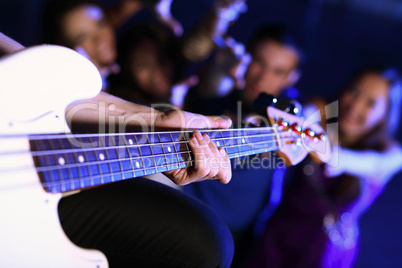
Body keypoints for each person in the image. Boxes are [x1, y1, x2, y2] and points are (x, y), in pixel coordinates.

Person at [0, 29, 235, 267]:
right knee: (208, 242)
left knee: (207, 241)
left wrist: (157, 120)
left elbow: (34, 79)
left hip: (29, 165)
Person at [250, 67, 402, 268]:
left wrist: (327, 150)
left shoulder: (389, 153)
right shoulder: (323, 114)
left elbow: (376, 162)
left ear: (386, 113)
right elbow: (304, 113)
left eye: (371, 103)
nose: (355, 105)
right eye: (354, 92)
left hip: (327, 255)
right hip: (279, 237)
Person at [182, 25, 303, 267]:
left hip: (238, 235)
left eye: (278, 71)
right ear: (246, 56)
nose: (262, 77)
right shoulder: (215, 90)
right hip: (184, 216)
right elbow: (207, 87)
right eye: (259, 62)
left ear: (291, 77)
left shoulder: (290, 118)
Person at [109, 22, 184, 106]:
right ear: (127, 70)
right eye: (142, 65)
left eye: (162, 60)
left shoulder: (195, 94)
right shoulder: (114, 109)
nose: (157, 73)